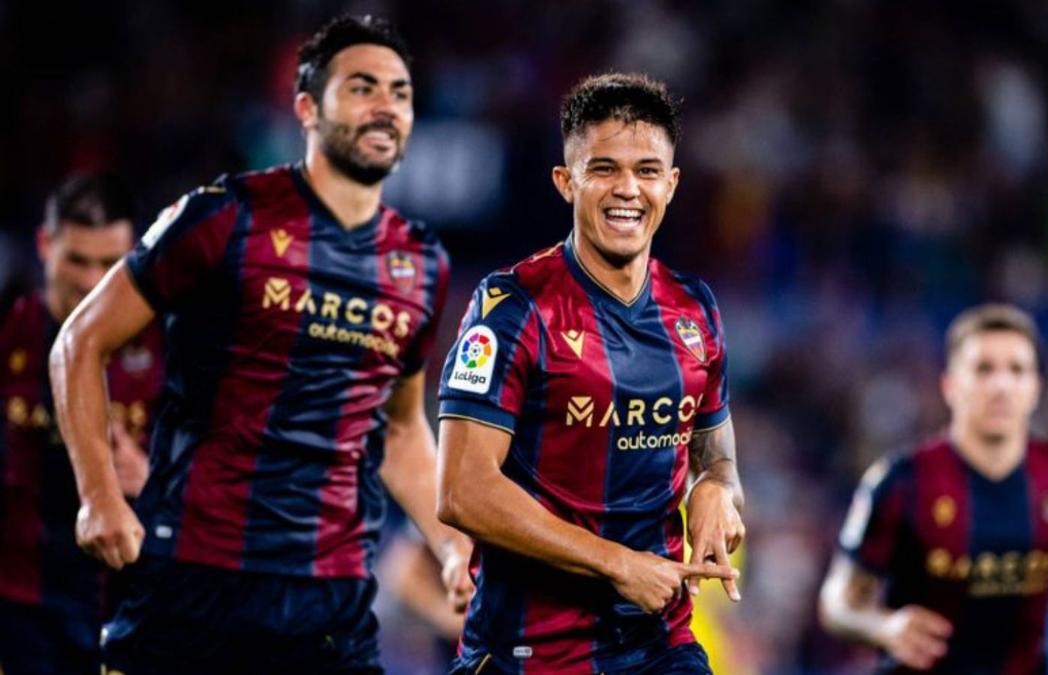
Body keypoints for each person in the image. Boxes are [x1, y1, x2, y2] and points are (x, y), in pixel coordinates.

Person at [48, 15, 472, 675]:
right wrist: (98, 494)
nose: (386, 104)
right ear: (307, 108)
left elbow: (399, 430)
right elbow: (79, 341)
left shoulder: (421, 264)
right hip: (196, 578)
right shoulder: (224, 219)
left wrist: (449, 545)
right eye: (362, 87)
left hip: (330, 596)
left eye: (400, 91)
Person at [436, 72, 744, 674]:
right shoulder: (513, 307)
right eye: (603, 168)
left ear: (672, 185)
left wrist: (715, 489)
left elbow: (717, 453)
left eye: (647, 170)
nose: (627, 188)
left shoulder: (695, 307)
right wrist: (617, 563)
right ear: (566, 181)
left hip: (660, 645)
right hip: (529, 653)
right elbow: (462, 491)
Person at [818, 304, 1048, 674]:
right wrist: (883, 627)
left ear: (1035, 388)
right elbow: (836, 604)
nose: (1001, 386)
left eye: (1016, 370)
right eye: (984, 369)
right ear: (951, 386)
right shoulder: (902, 482)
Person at [0, 174, 162, 675]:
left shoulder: (170, 350)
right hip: (17, 607)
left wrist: (155, 479)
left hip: (129, 609)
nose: (93, 282)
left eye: (109, 264)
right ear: (45, 245)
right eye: (76, 260)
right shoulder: (7, 337)